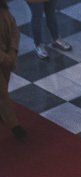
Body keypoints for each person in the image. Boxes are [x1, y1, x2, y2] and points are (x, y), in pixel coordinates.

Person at [0, 0, 25, 140]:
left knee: (3, 90)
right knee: (2, 93)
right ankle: (15, 126)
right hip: (4, 60)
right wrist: (6, 58)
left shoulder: (5, 14)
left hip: (7, 61)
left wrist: (12, 52)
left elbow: (15, 33)